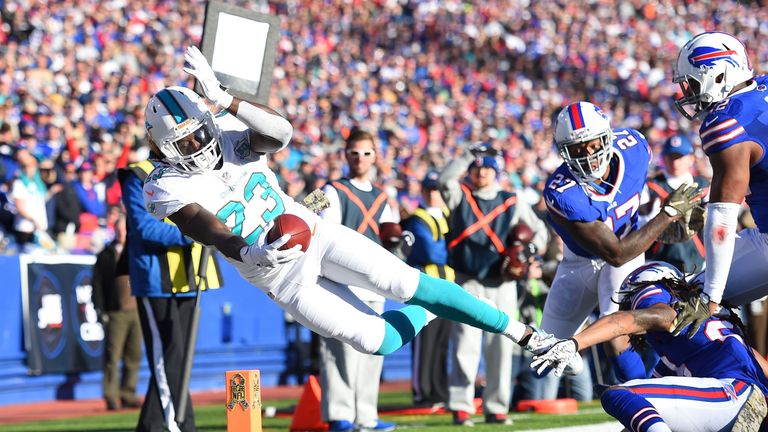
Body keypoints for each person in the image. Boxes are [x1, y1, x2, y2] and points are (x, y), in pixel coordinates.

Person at [142, 46, 574, 402]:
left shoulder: (224, 125)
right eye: (187, 141)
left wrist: (224, 97)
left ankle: (526, 335)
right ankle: (435, 306)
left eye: (201, 131)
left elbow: (281, 132)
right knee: (378, 342)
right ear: (163, 144)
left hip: (314, 233)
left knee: (405, 283)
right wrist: (250, 251)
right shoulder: (164, 184)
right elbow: (205, 227)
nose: (201, 144)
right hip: (277, 274)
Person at [540, 101, 701, 382]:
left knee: (617, 329)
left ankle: (643, 396)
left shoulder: (634, 148)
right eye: (578, 149)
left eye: (592, 144)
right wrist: (667, 215)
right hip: (582, 262)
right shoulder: (564, 192)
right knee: (546, 348)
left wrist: (658, 218)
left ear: (607, 137)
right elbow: (614, 252)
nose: (588, 155)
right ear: (564, 152)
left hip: (627, 249)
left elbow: (622, 249)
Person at [531, 261, 768, 432]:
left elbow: (627, 321)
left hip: (730, 394)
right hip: (745, 394)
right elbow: (759, 363)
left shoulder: (657, 297)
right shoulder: (691, 340)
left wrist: (574, 343)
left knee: (621, 394)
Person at [437, 145, 548, 426]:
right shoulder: (460, 195)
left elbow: (540, 231)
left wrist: (528, 249)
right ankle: (461, 406)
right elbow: (444, 181)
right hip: (467, 279)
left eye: (487, 167)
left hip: (502, 280)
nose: (482, 172)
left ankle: (497, 406)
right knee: (466, 343)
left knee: (501, 344)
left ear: (496, 172)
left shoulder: (511, 200)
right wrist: (465, 155)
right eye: (478, 167)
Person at [670, 32, 768, 336]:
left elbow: (723, 216)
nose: (689, 93)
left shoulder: (727, 122)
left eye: (693, 83)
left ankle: (736, 380)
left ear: (720, 73)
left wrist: (710, 297)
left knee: (685, 306)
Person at [119, 157, 222, 432]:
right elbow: (145, 227)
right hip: (156, 280)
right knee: (168, 359)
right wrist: (195, 232)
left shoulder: (195, 172)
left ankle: (151, 425)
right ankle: (182, 425)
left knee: (178, 359)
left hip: (190, 278)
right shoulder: (138, 174)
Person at [318, 128, 396, 432]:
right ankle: (340, 414)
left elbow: (391, 233)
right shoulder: (330, 189)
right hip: (341, 282)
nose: (360, 159)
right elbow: (318, 226)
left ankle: (366, 415)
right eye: (354, 153)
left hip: (373, 282)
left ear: (375, 157)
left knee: (373, 349)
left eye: (366, 153)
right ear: (345, 155)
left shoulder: (383, 196)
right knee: (339, 349)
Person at [402, 171, 452, 408]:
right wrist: (453, 250)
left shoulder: (447, 216)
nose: (434, 194)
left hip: (449, 287)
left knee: (443, 343)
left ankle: (440, 392)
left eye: (437, 189)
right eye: (430, 189)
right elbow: (432, 252)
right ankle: (422, 392)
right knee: (426, 342)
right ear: (422, 192)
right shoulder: (418, 218)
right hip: (426, 288)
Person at [91, 211, 142, 411]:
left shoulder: (136, 250)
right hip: (115, 312)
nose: (122, 233)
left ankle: (128, 393)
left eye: (124, 229)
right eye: (119, 229)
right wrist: (99, 309)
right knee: (113, 356)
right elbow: (96, 284)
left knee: (134, 355)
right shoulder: (105, 255)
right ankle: (111, 395)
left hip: (136, 311)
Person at [640, 135, 709, 273]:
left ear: (691, 158)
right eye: (671, 157)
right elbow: (641, 222)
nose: (675, 162)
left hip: (696, 259)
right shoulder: (651, 185)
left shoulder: (703, 186)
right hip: (658, 259)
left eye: (679, 156)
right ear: (664, 158)